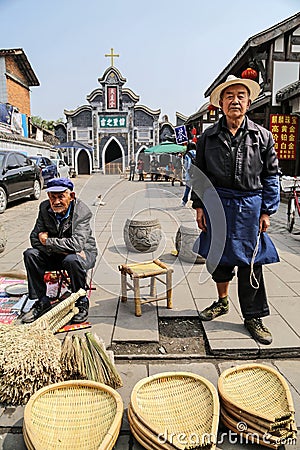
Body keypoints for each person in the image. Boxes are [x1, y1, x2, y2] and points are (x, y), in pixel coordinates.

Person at [191, 75, 280, 345]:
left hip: (250, 207)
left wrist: (267, 210)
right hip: (218, 204)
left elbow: (271, 175)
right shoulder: (208, 137)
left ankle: (253, 316)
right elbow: (198, 174)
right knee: (218, 258)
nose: (235, 101)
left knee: (251, 262)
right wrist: (198, 206)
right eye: (229, 96)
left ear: (249, 102)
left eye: (241, 96)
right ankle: (222, 301)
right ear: (220, 103)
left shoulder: (262, 136)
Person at [22, 177, 98, 324]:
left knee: (72, 259)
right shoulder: (44, 208)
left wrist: (48, 241)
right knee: (30, 254)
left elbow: (77, 244)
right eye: (53, 197)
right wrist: (62, 249)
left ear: (72, 196)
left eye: (61, 197)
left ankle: (81, 300)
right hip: (56, 254)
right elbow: (34, 238)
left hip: (83, 255)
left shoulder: (82, 211)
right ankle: (42, 301)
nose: (56, 202)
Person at [181, 142, 196, 206]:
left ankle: (184, 201)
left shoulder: (188, 154)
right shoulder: (198, 152)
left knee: (188, 188)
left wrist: (188, 170)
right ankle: (196, 201)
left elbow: (187, 165)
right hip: (197, 174)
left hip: (189, 174)